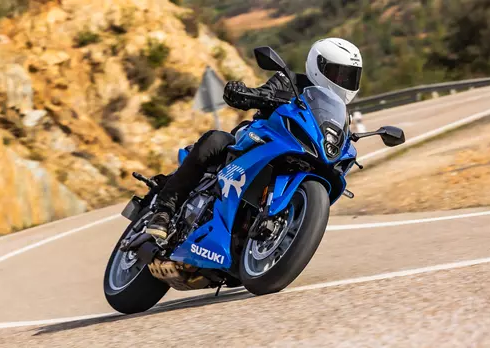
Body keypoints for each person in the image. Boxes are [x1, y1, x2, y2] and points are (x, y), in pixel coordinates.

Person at [146, 38, 363, 240]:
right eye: (338, 73)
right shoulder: (290, 81)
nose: (343, 81)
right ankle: (164, 211)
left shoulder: (339, 112)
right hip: (260, 139)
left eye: (350, 77)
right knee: (215, 140)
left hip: (303, 153)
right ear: (319, 66)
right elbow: (264, 92)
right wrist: (245, 93)